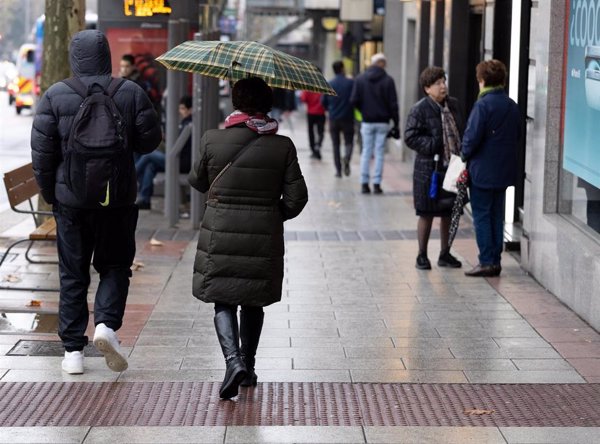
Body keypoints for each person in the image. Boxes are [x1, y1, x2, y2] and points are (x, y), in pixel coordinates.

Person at [30, 30, 162, 375]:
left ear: (75, 57)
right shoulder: (129, 91)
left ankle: (73, 351)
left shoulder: (55, 96)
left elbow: (42, 157)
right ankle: (105, 325)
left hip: (71, 202)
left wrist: (52, 194)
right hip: (116, 198)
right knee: (115, 265)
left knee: (72, 273)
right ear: (106, 54)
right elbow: (150, 141)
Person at [189, 77, 308, 400]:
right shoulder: (281, 145)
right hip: (262, 238)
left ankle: (233, 361)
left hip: (220, 232)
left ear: (235, 103)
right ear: (268, 103)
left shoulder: (213, 139)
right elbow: (298, 198)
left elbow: (197, 180)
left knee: (223, 298)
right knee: (253, 301)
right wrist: (272, 215)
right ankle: (248, 368)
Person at [461, 59, 520, 277]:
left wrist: (463, 155)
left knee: (483, 216)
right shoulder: (511, 105)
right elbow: (518, 135)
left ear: (483, 81)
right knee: (497, 215)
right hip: (504, 170)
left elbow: (471, 138)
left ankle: (486, 261)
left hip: (483, 172)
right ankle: (495, 260)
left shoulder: (483, 105)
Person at [405, 67, 465, 270]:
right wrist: (433, 144)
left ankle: (445, 253)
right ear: (427, 88)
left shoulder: (453, 105)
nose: (443, 86)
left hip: (452, 167)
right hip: (428, 169)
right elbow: (410, 137)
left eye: (444, 81)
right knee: (426, 212)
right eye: (438, 83)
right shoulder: (419, 109)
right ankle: (421, 255)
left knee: (449, 211)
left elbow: (461, 131)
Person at [351, 53, 400, 194]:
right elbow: (393, 104)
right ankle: (377, 183)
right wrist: (396, 123)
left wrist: (364, 110)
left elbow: (353, 100)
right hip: (383, 122)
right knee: (379, 153)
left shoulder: (360, 79)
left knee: (366, 151)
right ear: (383, 63)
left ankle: (364, 183)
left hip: (367, 121)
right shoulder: (388, 80)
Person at [135, 95, 193, 209]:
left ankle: (129, 176)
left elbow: (179, 144)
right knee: (150, 166)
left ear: (190, 109)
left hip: (180, 161)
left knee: (149, 155)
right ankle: (145, 199)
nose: (180, 111)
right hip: (176, 157)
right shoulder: (185, 122)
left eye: (183, 109)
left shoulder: (189, 124)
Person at [322, 60, 355, 177]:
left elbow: (323, 102)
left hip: (334, 118)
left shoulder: (329, 84)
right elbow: (355, 99)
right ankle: (347, 157)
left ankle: (338, 171)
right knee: (349, 141)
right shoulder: (351, 83)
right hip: (348, 117)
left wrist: (331, 109)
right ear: (342, 68)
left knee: (336, 145)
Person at [300, 89, 325, 159]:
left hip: (310, 112)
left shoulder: (308, 88)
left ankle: (313, 149)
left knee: (311, 132)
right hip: (321, 112)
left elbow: (303, 99)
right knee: (321, 131)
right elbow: (325, 100)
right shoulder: (322, 88)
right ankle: (318, 145)